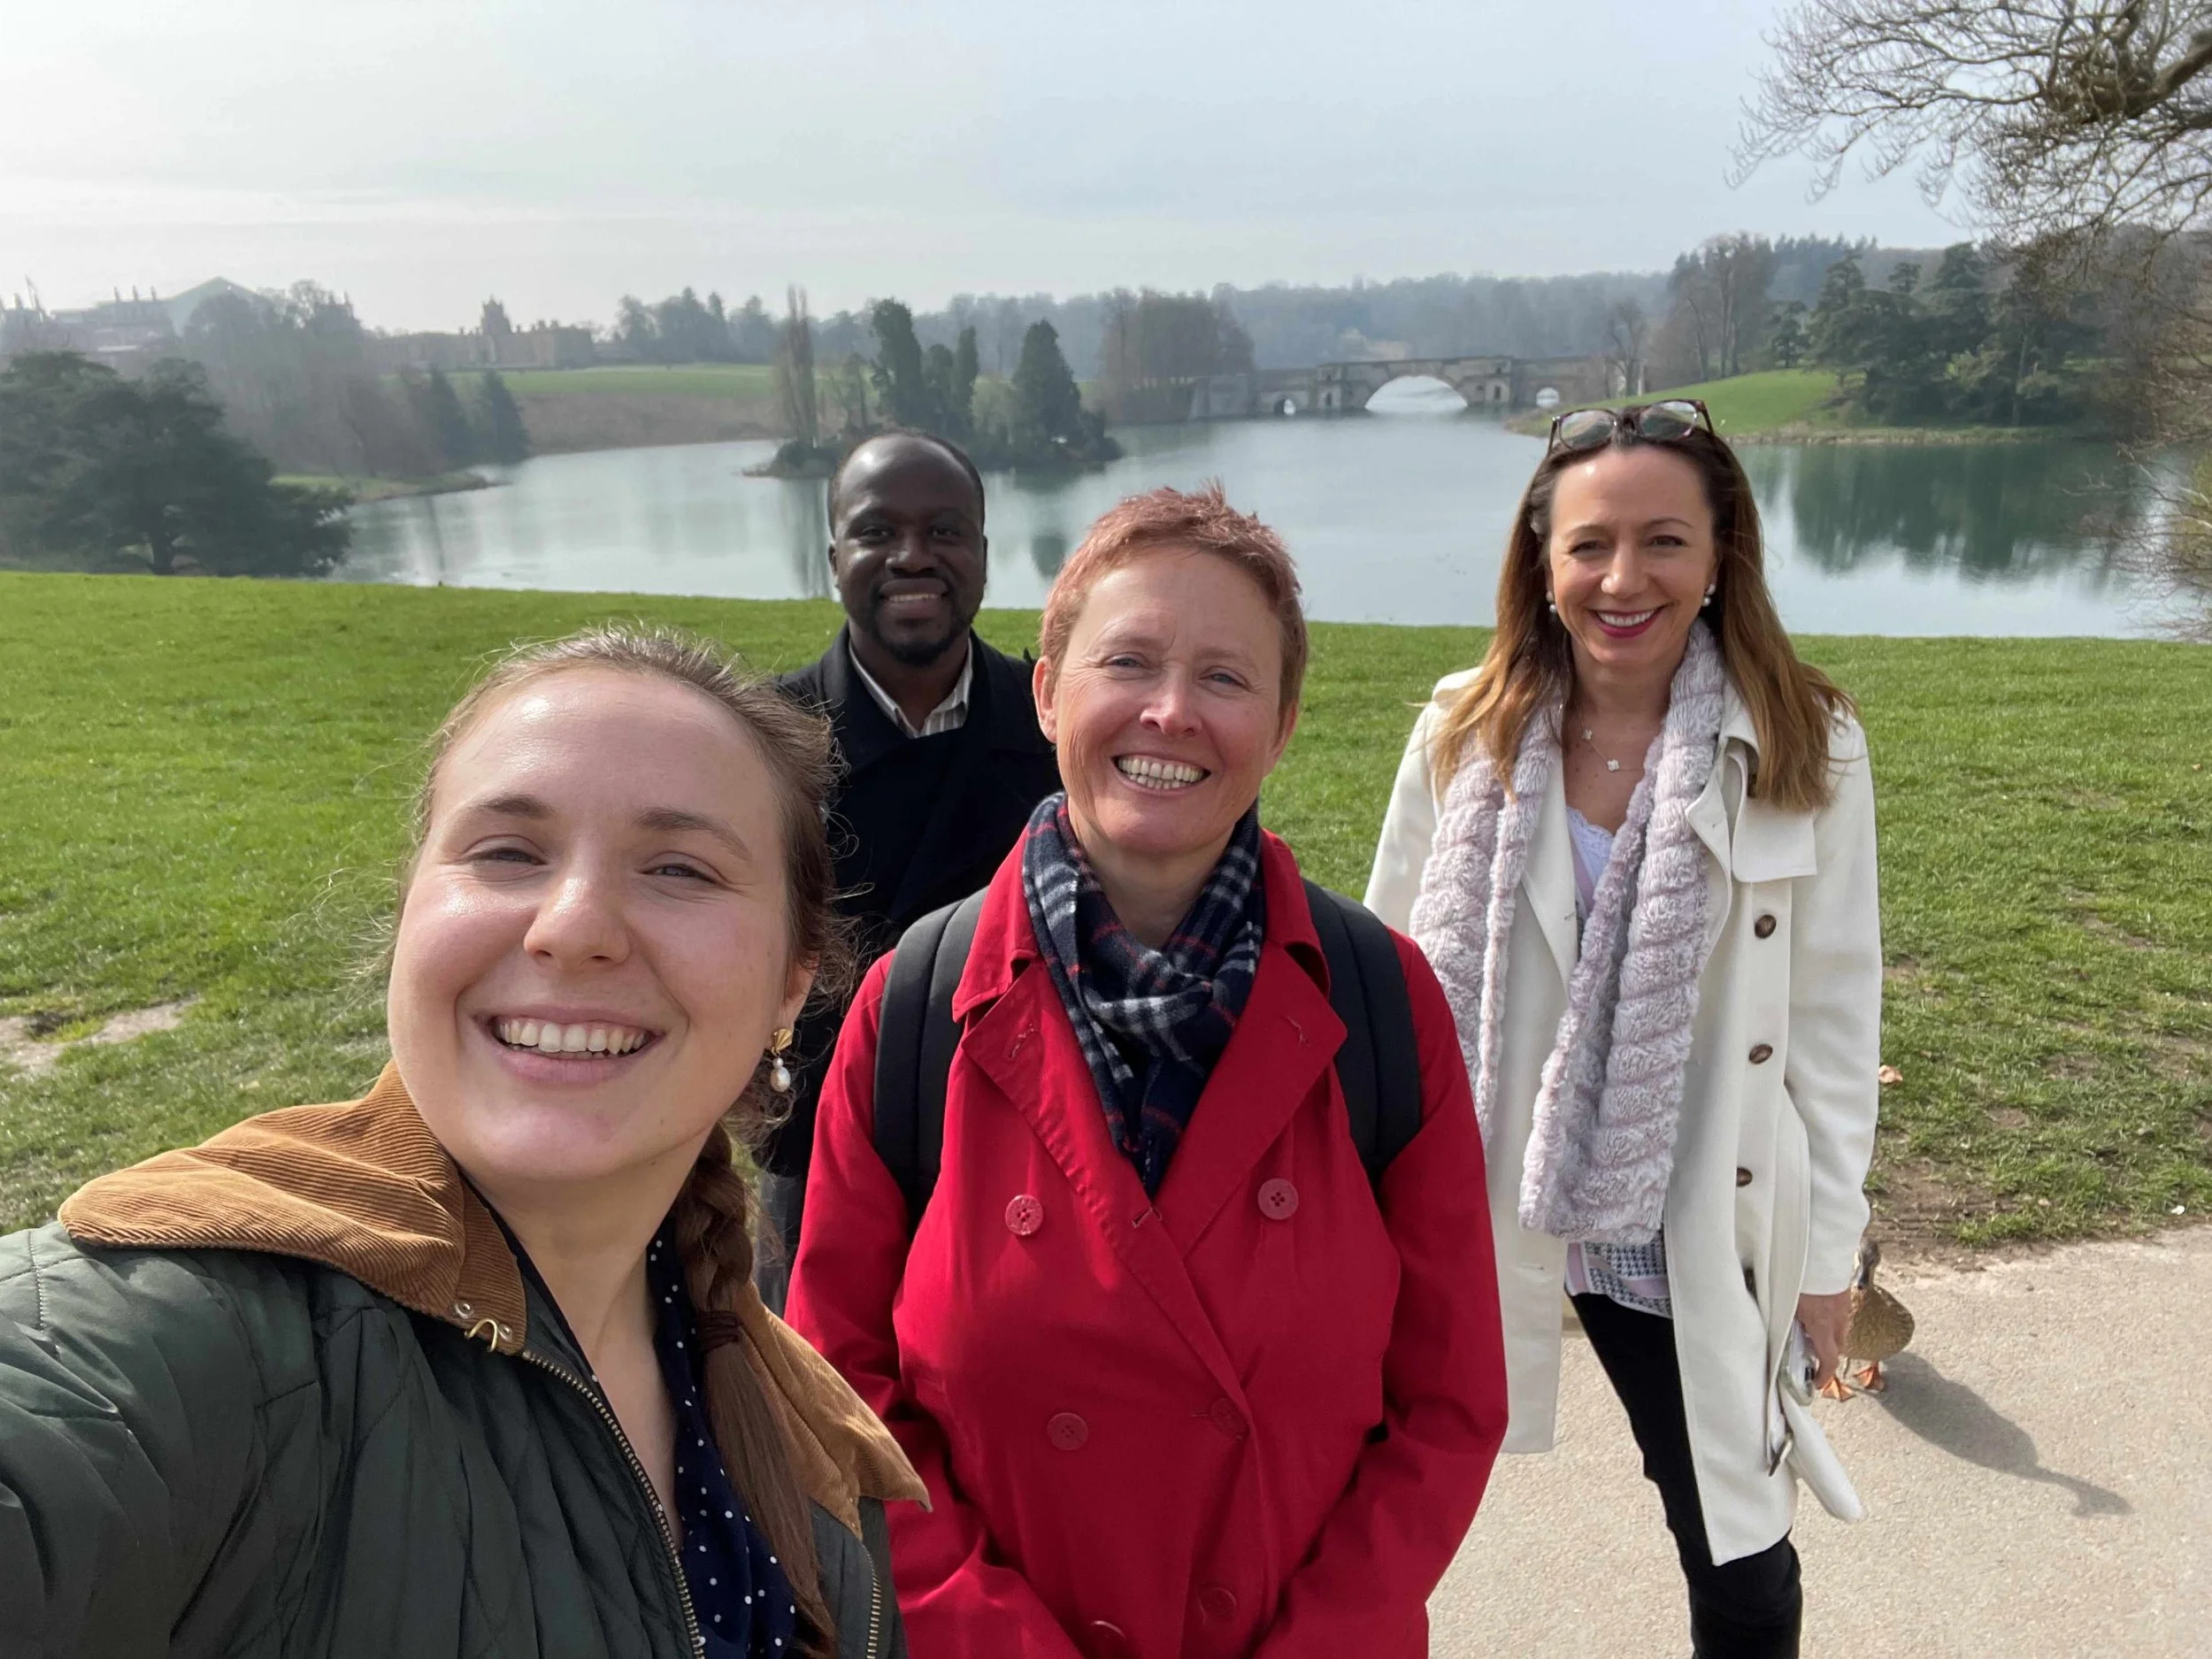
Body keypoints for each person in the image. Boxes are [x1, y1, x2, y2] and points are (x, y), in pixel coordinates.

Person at [0, 626, 926, 1658]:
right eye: (506, 853)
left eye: (678, 868)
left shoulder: (800, 1428)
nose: (572, 925)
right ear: (410, 917)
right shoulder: (195, 1342)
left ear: (791, 986)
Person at [787, 485, 1509, 1658]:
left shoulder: (1382, 1001)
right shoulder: (915, 1006)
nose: (1172, 711)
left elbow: (1450, 1399)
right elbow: (835, 1398)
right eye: (1128, 661)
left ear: (1281, 725)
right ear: (1048, 691)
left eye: (1226, 677)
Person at [1364, 400, 1882, 1658]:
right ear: (1542, 561)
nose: (1624, 578)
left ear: (1719, 560)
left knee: (1739, 1551)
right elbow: (1384, 980)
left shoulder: (1806, 742)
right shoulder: (1462, 729)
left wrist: (1828, 1255)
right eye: (1590, 543)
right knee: (1371, 1520)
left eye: (1664, 541)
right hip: (1483, 1194)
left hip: (1684, 1203)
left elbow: (1829, 1009)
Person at [762, 430, 1061, 1304]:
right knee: (805, 1407)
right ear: (832, 557)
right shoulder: (768, 741)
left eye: (944, 531)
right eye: (877, 532)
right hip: (817, 1149)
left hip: (1026, 1147)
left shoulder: (1056, 729)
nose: (912, 557)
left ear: (982, 552)